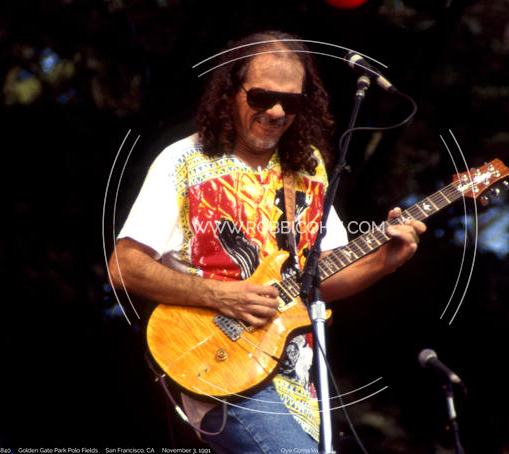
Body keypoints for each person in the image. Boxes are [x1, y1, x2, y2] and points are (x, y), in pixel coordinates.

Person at [108, 30, 426, 454]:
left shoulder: (308, 168)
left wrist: (386, 260)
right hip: (218, 369)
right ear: (230, 92)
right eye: (262, 97)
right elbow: (123, 266)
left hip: (298, 384)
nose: (276, 112)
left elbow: (319, 281)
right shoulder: (182, 161)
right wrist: (220, 294)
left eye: (290, 102)